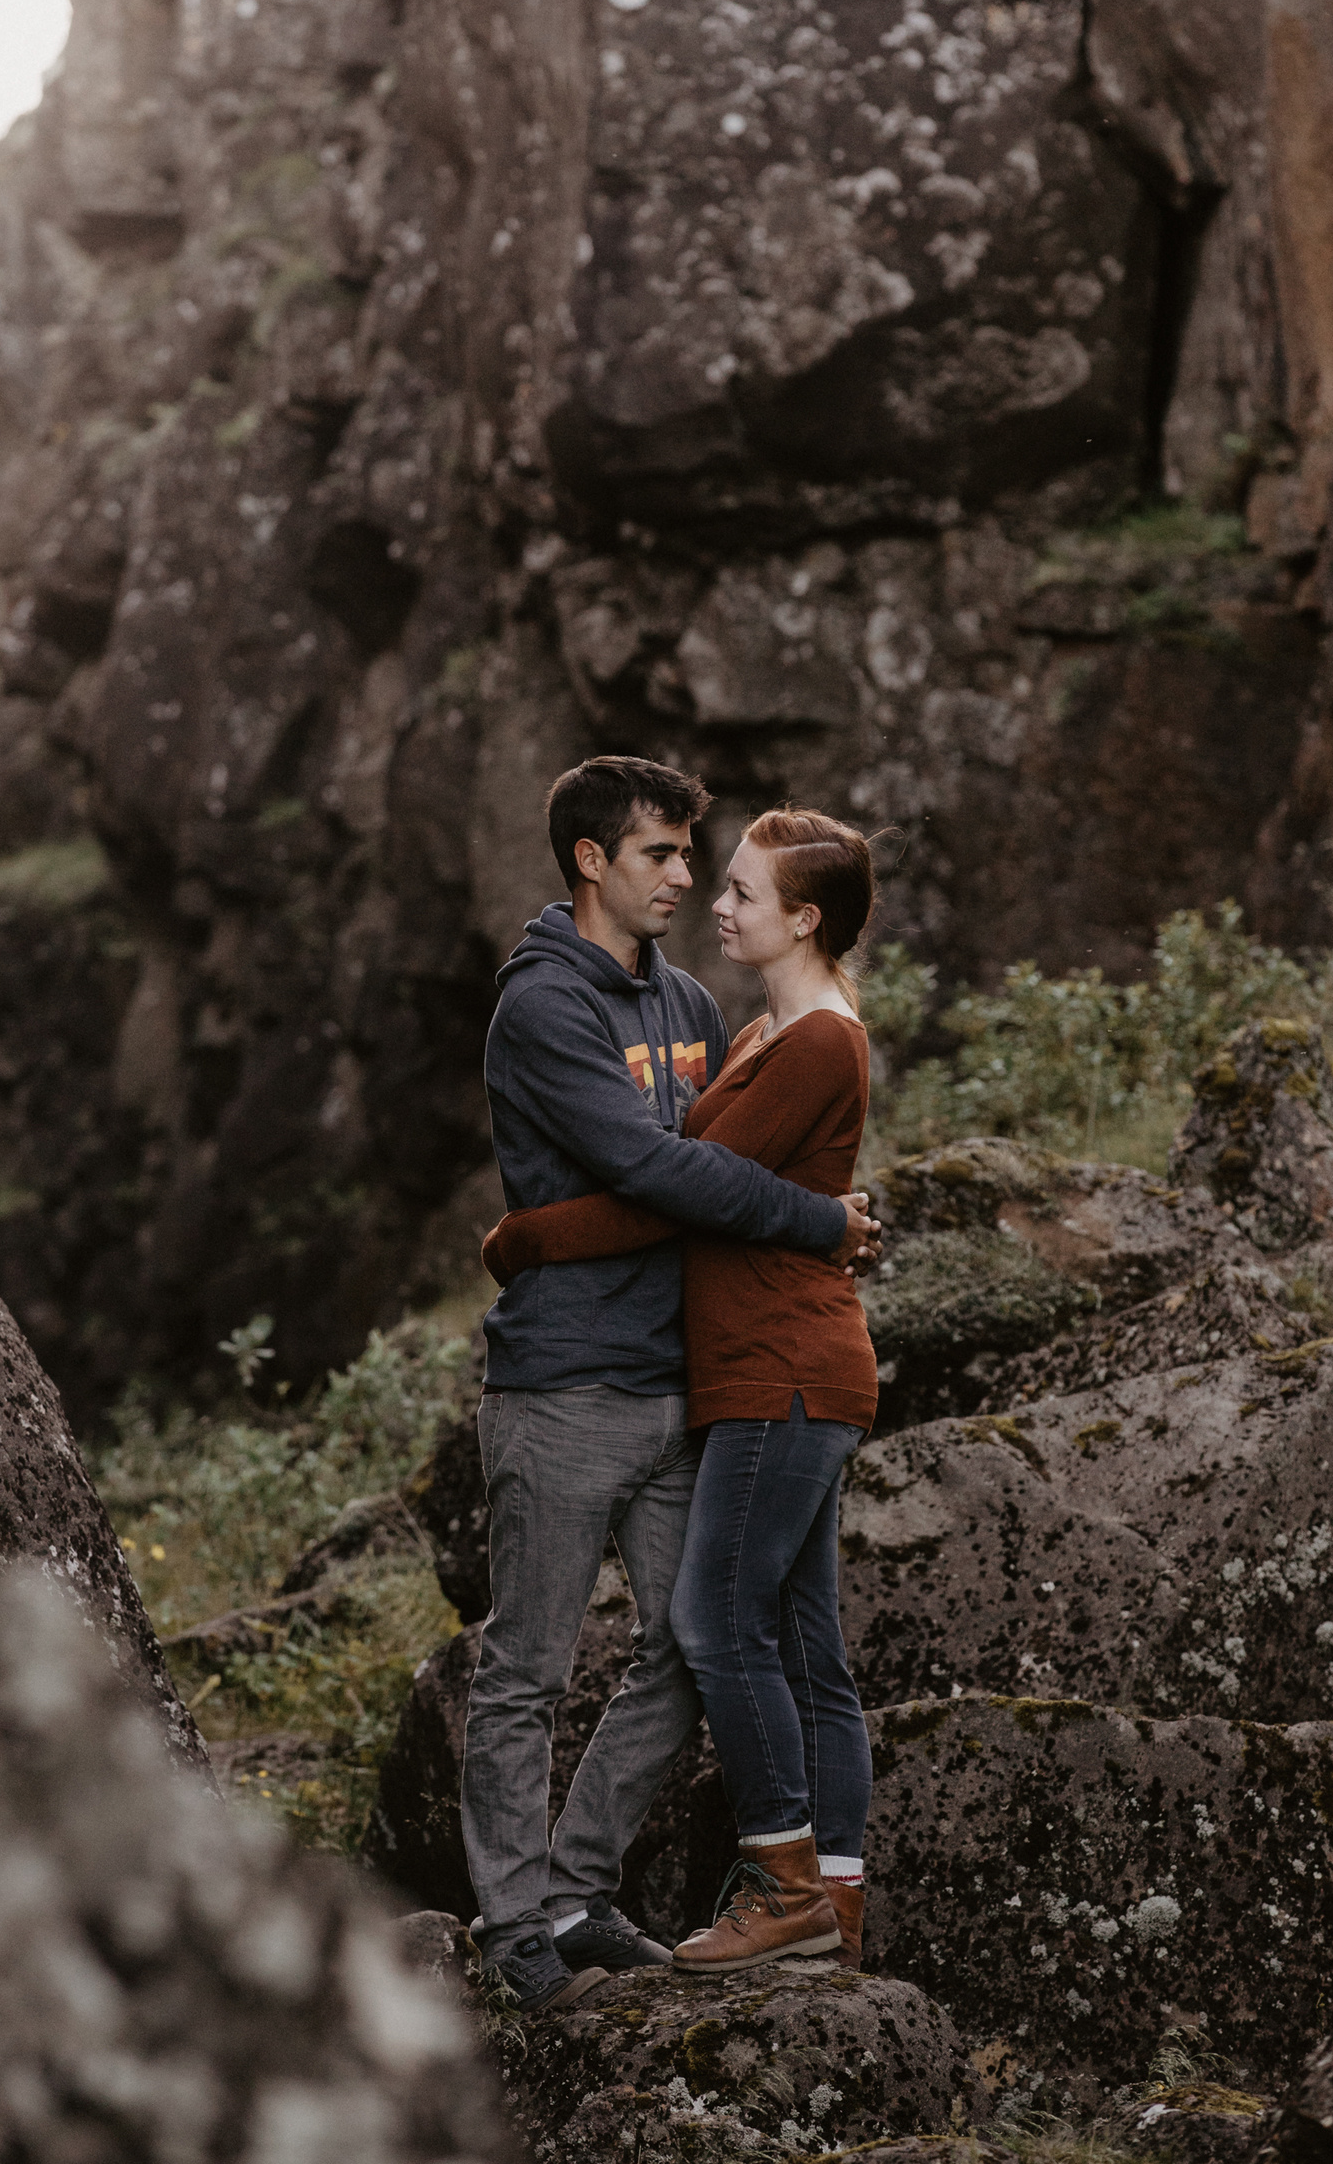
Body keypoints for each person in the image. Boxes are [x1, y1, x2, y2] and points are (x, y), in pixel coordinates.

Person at [464, 760, 879, 2013]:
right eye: (661, 854)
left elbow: (704, 1179)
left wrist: (792, 1216)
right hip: (564, 1388)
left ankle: (577, 1889)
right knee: (526, 1669)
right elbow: (660, 1177)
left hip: (681, 1384)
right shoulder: (542, 1009)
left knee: (690, 1646)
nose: (687, 877)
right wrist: (819, 1219)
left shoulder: (695, 1002)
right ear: (591, 861)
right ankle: (510, 1919)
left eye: (699, 856)